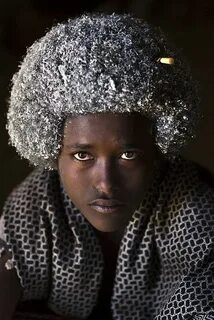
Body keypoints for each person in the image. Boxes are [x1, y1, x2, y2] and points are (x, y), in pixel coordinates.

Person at [1, 13, 214, 320]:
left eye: (128, 155)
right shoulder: (36, 202)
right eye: (82, 156)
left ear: (157, 149)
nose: (106, 183)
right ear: (53, 151)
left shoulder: (196, 213)